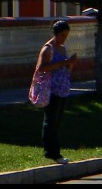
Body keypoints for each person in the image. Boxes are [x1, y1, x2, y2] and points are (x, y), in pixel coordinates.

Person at [35, 19, 77, 163]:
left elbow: (66, 69)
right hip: (50, 89)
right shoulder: (48, 49)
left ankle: (52, 150)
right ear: (56, 34)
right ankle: (52, 152)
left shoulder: (62, 48)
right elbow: (41, 68)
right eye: (62, 35)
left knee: (56, 121)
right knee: (50, 121)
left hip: (62, 88)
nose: (64, 38)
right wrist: (62, 63)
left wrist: (70, 63)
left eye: (66, 35)